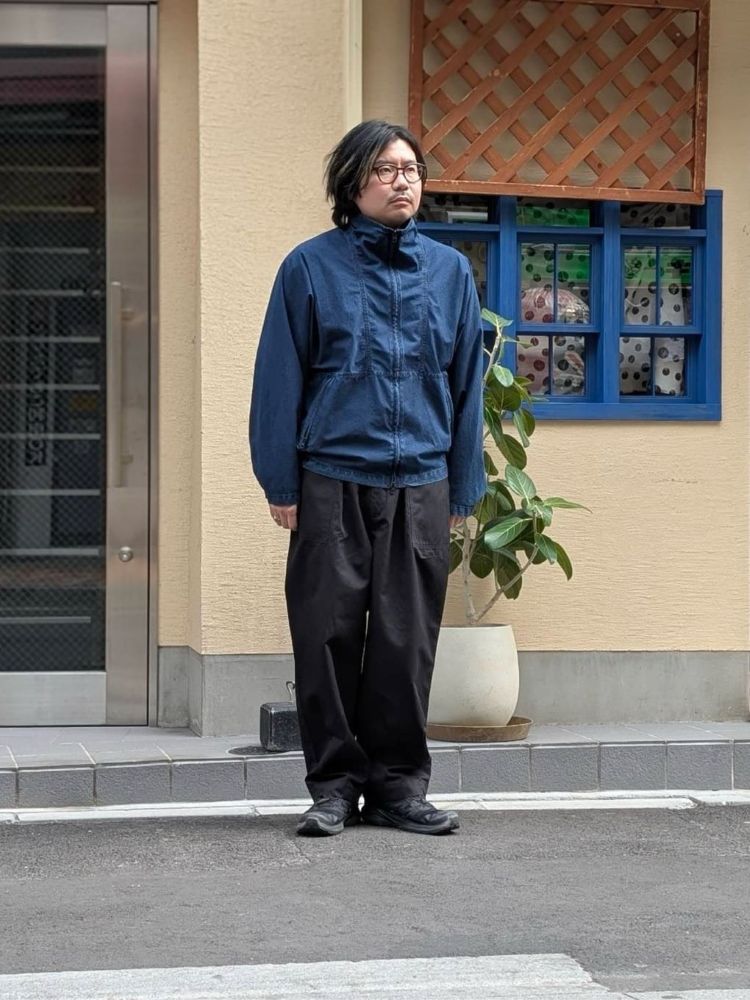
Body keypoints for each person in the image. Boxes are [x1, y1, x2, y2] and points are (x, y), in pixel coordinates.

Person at [249, 120, 485, 837]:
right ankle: (332, 788)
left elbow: (466, 383)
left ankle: (397, 790)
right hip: (331, 477)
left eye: (411, 169)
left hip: (421, 481)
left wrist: (462, 485)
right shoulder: (308, 268)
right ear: (352, 184)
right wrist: (280, 482)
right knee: (325, 638)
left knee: (406, 645)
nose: (402, 181)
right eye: (385, 169)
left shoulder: (449, 273)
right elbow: (279, 379)